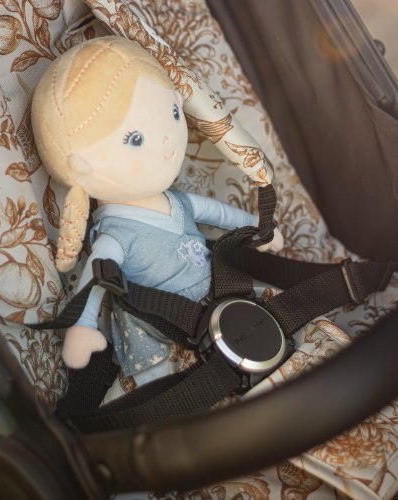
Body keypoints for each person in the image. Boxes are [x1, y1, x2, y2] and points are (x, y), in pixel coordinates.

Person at [32, 36, 283, 386]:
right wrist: (83, 325)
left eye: (174, 113)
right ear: (83, 165)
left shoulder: (178, 200)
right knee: (161, 372)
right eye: (135, 139)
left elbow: (218, 213)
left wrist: (256, 228)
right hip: (162, 322)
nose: (167, 140)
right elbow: (95, 280)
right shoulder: (116, 237)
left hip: (220, 298)